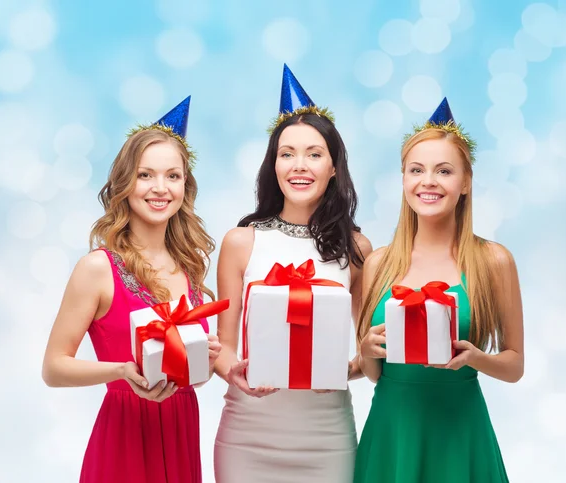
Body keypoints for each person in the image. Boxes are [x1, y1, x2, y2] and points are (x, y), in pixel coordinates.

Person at [42, 97, 221, 483]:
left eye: (173, 176)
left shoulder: (190, 266)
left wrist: (202, 361)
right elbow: (53, 368)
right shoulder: (97, 269)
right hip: (123, 435)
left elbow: (189, 377)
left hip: (180, 428)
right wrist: (122, 372)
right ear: (125, 183)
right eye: (145, 175)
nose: (160, 188)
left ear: (185, 186)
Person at [213, 65, 372, 483]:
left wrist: (345, 371)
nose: (299, 165)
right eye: (287, 153)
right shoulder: (241, 242)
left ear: (335, 167)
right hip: (248, 433)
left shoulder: (357, 249)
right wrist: (234, 371)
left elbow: (367, 353)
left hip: (326, 435)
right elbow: (224, 347)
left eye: (314, 154)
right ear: (274, 165)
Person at [353, 98, 524, 483]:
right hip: (392, 431)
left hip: (460, 430)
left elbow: (515, 366)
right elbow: (375, 374)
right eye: (416, 170)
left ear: (465, 183)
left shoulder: (493, 261)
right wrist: (365, 351)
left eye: (443, 170)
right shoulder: (379, 263)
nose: (427, 181)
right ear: (403, 180)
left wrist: (474, 357)